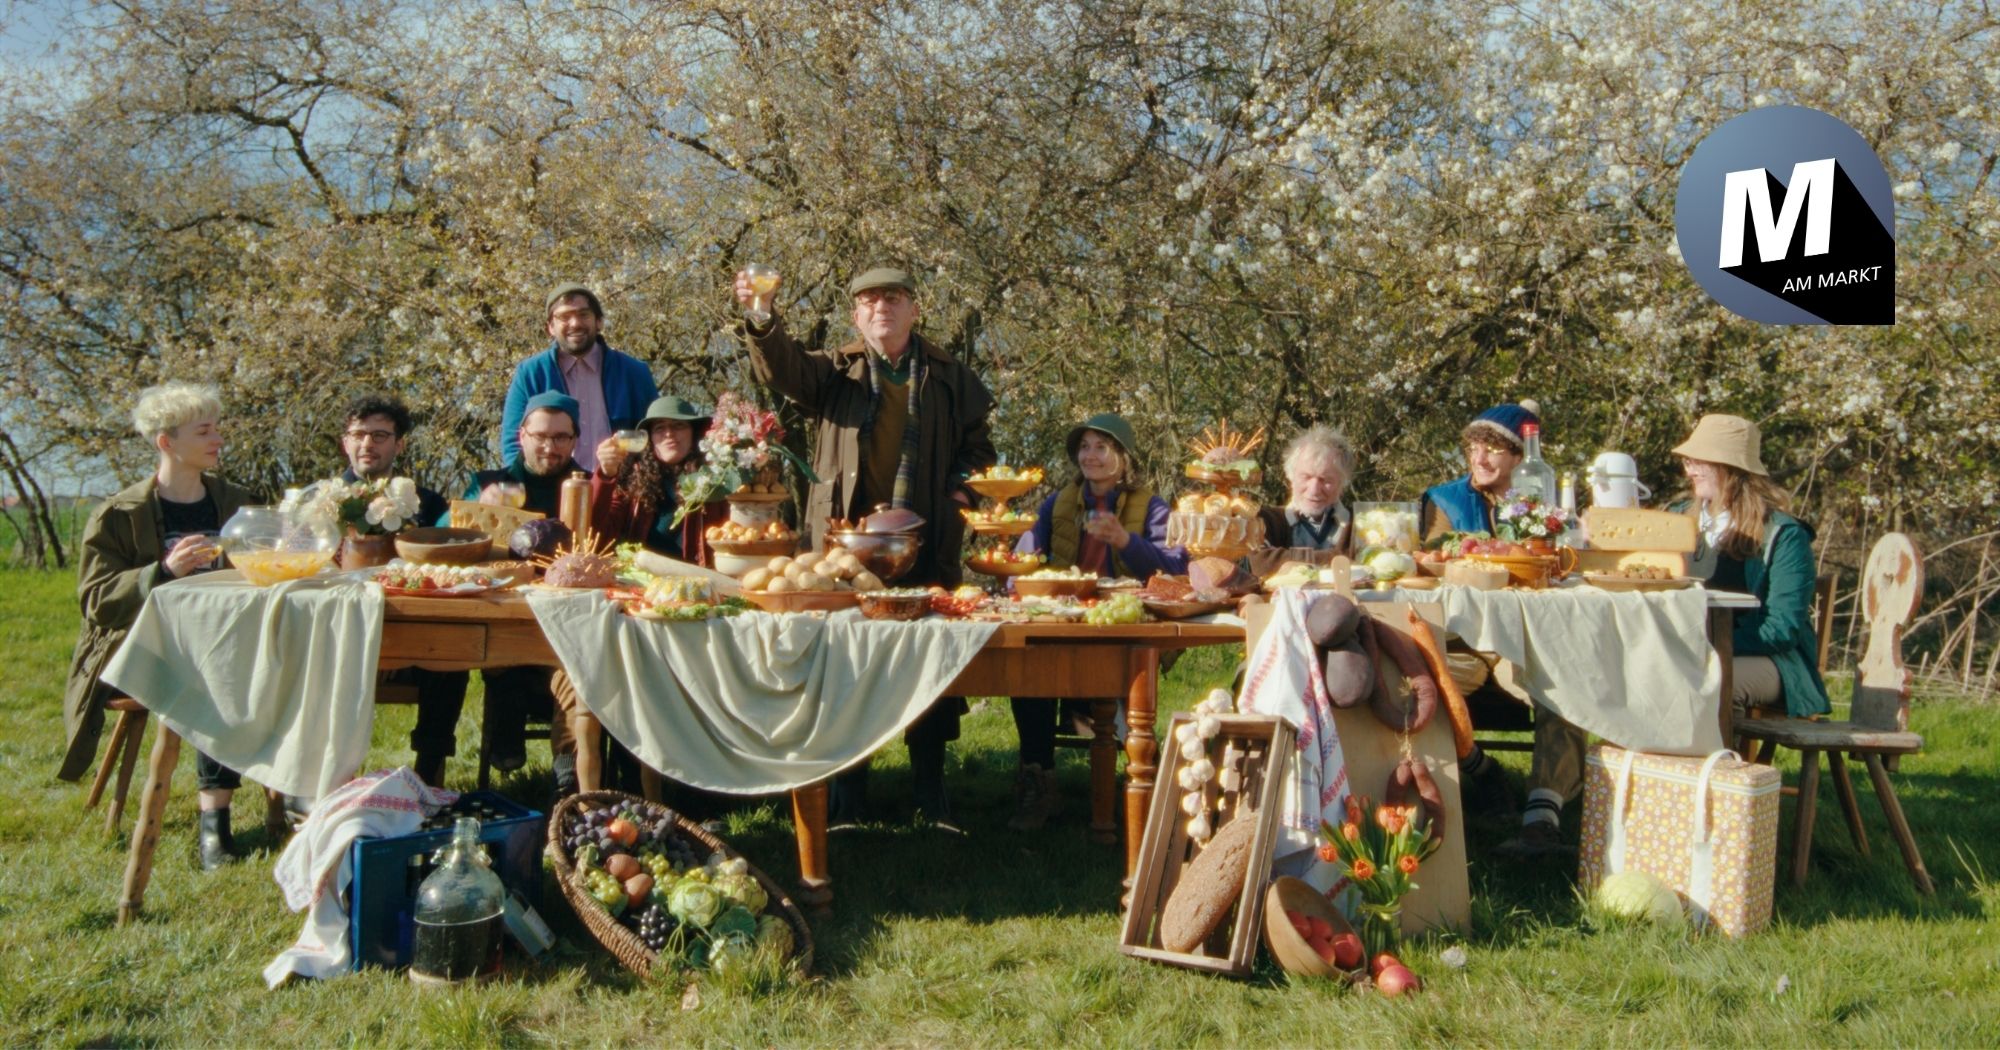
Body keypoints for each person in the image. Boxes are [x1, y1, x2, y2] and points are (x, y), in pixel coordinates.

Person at [735, 263, 997, 829]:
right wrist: (762, 316)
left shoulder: (951, 377)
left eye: (895, 298)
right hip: (842, 551)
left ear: (914, 310)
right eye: (870, 299)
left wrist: (959, 494)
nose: (883, 307)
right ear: (856, 314)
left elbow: (980, 448)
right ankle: (849, 791)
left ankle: (931, 789)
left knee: (930, 661)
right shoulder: (835, 373)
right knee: (843, 665)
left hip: (924, 544)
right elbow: (781, 367)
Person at [60, 382, 256, 870]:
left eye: (217, 428)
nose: (217, 440)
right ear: (166, 442)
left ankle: (305, 801)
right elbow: (97, 600)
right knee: (221, 674)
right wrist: (164, 571)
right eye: (204, 431)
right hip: (144, 651)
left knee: (262, 660)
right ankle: (215, 827)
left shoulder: (236, 503)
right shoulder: (120, 513)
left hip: (229, 637)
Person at [1006, 412, 1186, 830]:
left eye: (1102, 447)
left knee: (1120, 673)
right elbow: (1023, 555)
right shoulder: (1059, 502)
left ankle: (1143, 779)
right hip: (1064, 619)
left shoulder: (1151, 506)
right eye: (1084, 447)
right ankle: (1038, 781)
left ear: (1123, 458)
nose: (1091, 456)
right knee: (1026, 671)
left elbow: (1176, 566)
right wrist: (1018, 580)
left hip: (1119, 625)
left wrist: (1127, 542)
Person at [467, 391, 587, 796]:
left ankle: (567, 777)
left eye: (560, 438)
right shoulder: (488, 484)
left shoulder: (589, 488)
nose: (549, 447)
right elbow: (447, 529)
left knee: (574, 670)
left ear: (574, 441)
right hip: (503, 617)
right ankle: (506, 725)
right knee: (502, 661)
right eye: (541, 436)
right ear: (522, 435)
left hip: (567, 623)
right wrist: (477, 508)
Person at [338, 394, 462, 786]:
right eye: (358, 434)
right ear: (345, 442)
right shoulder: (323, 501)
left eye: (379, 435)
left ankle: (427, 775)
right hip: (341, 636)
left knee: (452, 656)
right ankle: (326, 780)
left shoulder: (426, 503)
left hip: (413, 634)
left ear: (399, 443)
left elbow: (449, 564)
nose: (367, 444)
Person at [1672, 413, 1830, 717]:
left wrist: (1707, 646)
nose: (1689, 471)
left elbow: (1781, 629)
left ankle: (1716, 765)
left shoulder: (1784, 535)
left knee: (1706, 685)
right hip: (1691, 653)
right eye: (1688, 462)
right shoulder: (1676, 521)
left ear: (1729, 467)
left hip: (1770, 659)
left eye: (1698, 461)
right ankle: (1634, 764)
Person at [498, 283, 659, 472]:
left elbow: (654, 435)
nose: (575, 323)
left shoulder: (634, 373)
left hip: (619, 492)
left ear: (598, 321)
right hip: (553, 492)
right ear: (550, 327)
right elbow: (513, 442)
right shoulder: (531, 373)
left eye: (583, 315)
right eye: (564, 317)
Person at [589, 395, 721, 565]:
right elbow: (597, 534)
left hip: (700, 581)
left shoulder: (717, 479)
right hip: (641, 583)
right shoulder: (632, 480)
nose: (669, 434)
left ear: (693, 433)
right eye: (659, 428)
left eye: (678, 425)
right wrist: (605, 476)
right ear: (649, 439)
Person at [1420, 400, 1541, 540]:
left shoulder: (1546, 501)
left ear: (1519, 457)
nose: (1478, 460)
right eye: (1473, 449)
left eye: (1491, 450)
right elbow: (1437, 556)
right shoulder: (1443, 500)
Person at [1255, 424, 1356, 562]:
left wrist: (1285, 559)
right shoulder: (1266, 520)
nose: (1314, 490)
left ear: (1343, 482)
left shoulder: (1362, 526)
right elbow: (1259, 562)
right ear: (1290, 476)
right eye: (1306, 477)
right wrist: (1340, 558)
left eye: (1325, 480)